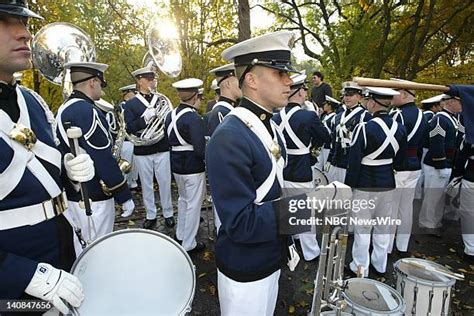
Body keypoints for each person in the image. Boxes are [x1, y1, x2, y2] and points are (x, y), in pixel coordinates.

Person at [0, 1, 94, 313]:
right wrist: (23, 274)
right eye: (6, 22)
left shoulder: (33, 102)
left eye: (24, 23)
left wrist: (69, 174)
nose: (24, 34)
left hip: (64, 257)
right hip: (12, 289)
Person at [56, 62, 134, 255]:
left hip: (76, 194)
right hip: (92, 196)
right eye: (100, 84)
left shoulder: (65, 107)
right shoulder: (86, 110)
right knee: (97, 250)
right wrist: (123, 194)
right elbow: (102, 157)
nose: (102, 90)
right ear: (92, 82)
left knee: (83, 248)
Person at [345, 87, 407, 277]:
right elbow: (401, 160)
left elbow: (354, 162)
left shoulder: (364, 128)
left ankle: (360, 267)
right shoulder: (401, 128)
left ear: (372, 103)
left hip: (365, 183)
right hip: (387, 181)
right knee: (383, 227)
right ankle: (380, 265)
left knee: (363, 228)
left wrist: (349, 187)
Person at [272, 71, 330, 261]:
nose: (306, 93)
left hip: (282, 168)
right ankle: (310, 251)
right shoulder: (308, 116)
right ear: (298, 92)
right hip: (301, 168)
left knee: (288, 207)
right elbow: (325, 137)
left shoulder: (276, 117)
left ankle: (292, 242)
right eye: (304, 89)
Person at [123, 66, 175, 229]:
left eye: (153, 79)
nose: (152, 82)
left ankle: (168, 213)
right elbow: (129, 128)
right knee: (146, 184)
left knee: (165, 182)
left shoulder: (161, 100)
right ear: (139, 81)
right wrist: (144, 120)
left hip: (161, 147)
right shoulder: (130, 104)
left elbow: (168, 122)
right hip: (142, 150)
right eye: (148, 79)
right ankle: (150, 214)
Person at [164, 78, 207, 252]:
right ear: (195, 96)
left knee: (183, 201)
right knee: (193, 205)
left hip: (176, 164)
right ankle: (189, 243)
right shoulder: (193, 118)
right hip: (192, 166)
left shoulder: (170, 115)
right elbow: (199, 149)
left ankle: (180, 234)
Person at [387, 82, 428, 254]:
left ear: (403, 94)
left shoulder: (399, 115)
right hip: (415, 164)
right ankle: (402, 246)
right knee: (406, 208)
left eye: (394, 93)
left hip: (399, 165)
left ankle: (386, 248)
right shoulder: (423, 115)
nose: (391, 97)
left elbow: (392, 142)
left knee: (390, 208)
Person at [418, 94, 461, 232]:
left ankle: (434, 222)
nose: (462, 106)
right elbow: (437, 143)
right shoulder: (440, 119)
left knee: (439, 196)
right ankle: (427, 223)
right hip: (436, 164)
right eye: (460, 103)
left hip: (446, 163)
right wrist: (440, 164)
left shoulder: (450, 118)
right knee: (432, 196)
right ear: (451, 102)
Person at [327, 81, 370, 183]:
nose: (346, 98)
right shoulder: (337, 117)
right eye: (345, 95)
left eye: (350, 95)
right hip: (335, 162)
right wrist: (329, 159)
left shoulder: (364, 116)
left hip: (350, 165)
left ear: (359, 97)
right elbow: (333, 140)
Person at [414, 94, 443, 200]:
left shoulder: (423, 114)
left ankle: (417, 194)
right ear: (433, 107)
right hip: (426, 147)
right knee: (422, 173)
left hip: (421, 146)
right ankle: (417, 194)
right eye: (438, 106)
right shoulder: (431, 116)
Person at [207, 63, 242, 136]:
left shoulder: (228, 109)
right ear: (228, 84)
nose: (242, 84)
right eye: (239, 80)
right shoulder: (221, 112)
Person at [118, 84, 139, 191]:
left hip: (132, 140)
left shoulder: (128, 106)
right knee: (126, 165)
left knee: (133, 165)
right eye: (135, 92)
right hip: (125, 140)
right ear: (128, 93)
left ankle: (131, 183)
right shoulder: (123, 106)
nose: (137, 95)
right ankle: (124, 185)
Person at [315, 95, 340, 172]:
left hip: (328, 148)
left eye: (325, 104)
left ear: (330, 106)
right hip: (322, 146)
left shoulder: (334, 118)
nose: (324, 106)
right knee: (318, 166)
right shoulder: (324, 116)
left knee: (326, 169)